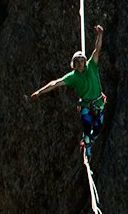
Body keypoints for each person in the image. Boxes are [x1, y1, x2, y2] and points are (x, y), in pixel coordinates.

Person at [30, 24, 106, 154]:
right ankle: (87, 144)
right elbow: (56, 83)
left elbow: (96, 49)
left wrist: (100, 35)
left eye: (82, 60)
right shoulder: (73, 76)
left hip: (98, 103)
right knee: (87, 125)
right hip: (86, 104)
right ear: (75, 63)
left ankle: (90, 139)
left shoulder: (91, 66)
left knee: (97, 128)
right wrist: (40, 92)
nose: (81, 62)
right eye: (78, 61)